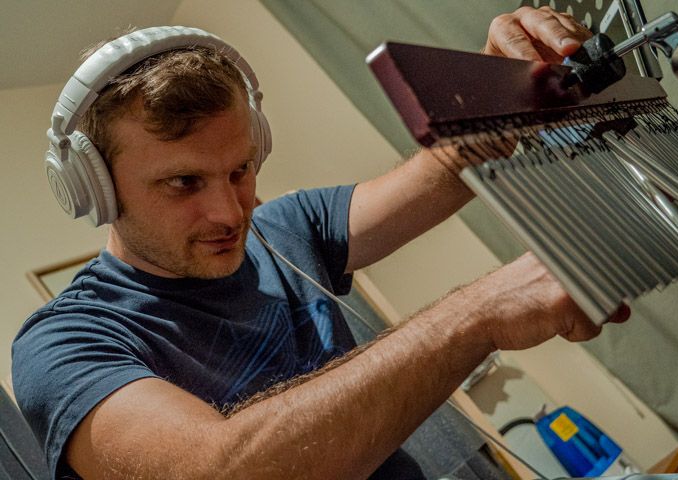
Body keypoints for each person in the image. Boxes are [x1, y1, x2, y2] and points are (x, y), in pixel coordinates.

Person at [12, 6, 629, 480]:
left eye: (241, 169)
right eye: (183, 183)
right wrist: (477, 315)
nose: (232, 211)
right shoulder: (65, 344)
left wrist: (508, 80)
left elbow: (450, 167)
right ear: (97, 188)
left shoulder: (283, 229)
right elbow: (217, 470)